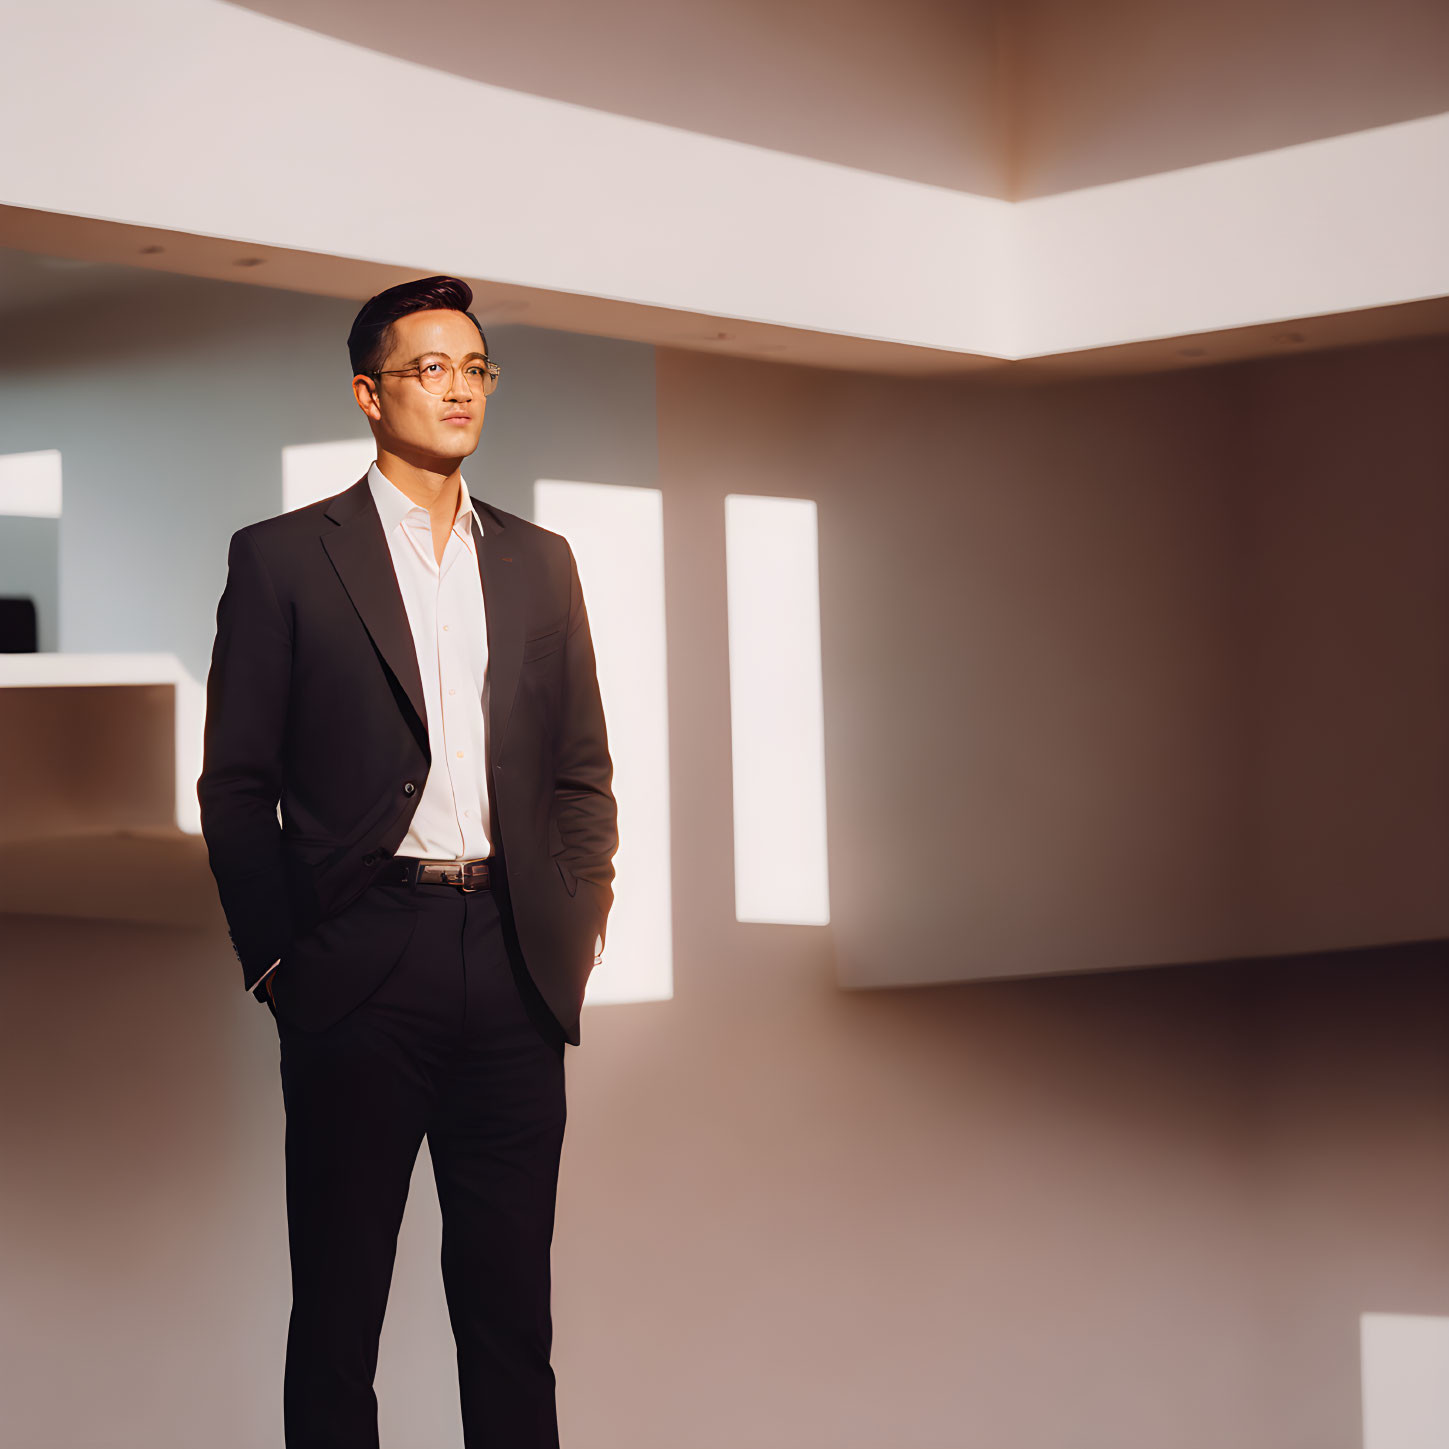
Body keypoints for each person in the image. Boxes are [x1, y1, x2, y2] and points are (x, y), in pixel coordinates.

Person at [197, 274, 617, 1448]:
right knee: (338, 1321)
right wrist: (282, 963)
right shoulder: (284, 560)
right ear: (369, 394)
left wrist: (571, 935)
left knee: (509, 1320)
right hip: (357, 964)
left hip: (515, 965)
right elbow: (234, 784)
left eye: (476, 368)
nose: (460, 389)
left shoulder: (541, 561)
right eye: (431, 369)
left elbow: (583, 773)